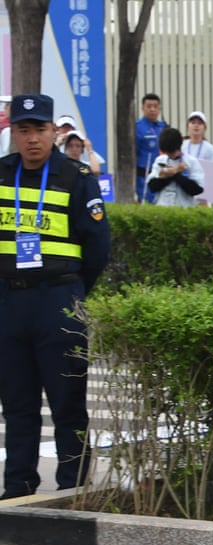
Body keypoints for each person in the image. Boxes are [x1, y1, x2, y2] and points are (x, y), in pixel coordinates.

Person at [0, 94, 110, 499]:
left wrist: (76, 292)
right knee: (17, 403)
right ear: (14, 133)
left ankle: (72, 486)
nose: (32, 139)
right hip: (9, 303)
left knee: (68, 402)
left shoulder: (75, 176)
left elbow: (98, 246)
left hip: (59, 301)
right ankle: (18, 486)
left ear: (53, 132)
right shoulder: (1, 174)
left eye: (40, 130)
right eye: (24, 130)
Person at [146, 127, 206, 207]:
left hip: (184, 207)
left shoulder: (191, 162)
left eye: (172, 151)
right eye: (167, 152)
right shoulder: (160, 161)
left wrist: (177, 176)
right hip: (162, 206)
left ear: (179, 146)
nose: (170, 154)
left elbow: (197, 190)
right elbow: (152, 187)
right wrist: (173, 172)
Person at [135, 93, 167, 203]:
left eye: (155, 106)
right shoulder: (137, 127)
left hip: (163, 175)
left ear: (159, 109)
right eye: (149, 106)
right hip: (144, 176)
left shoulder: (164, 127)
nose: (152, 109)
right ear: (143, 108)